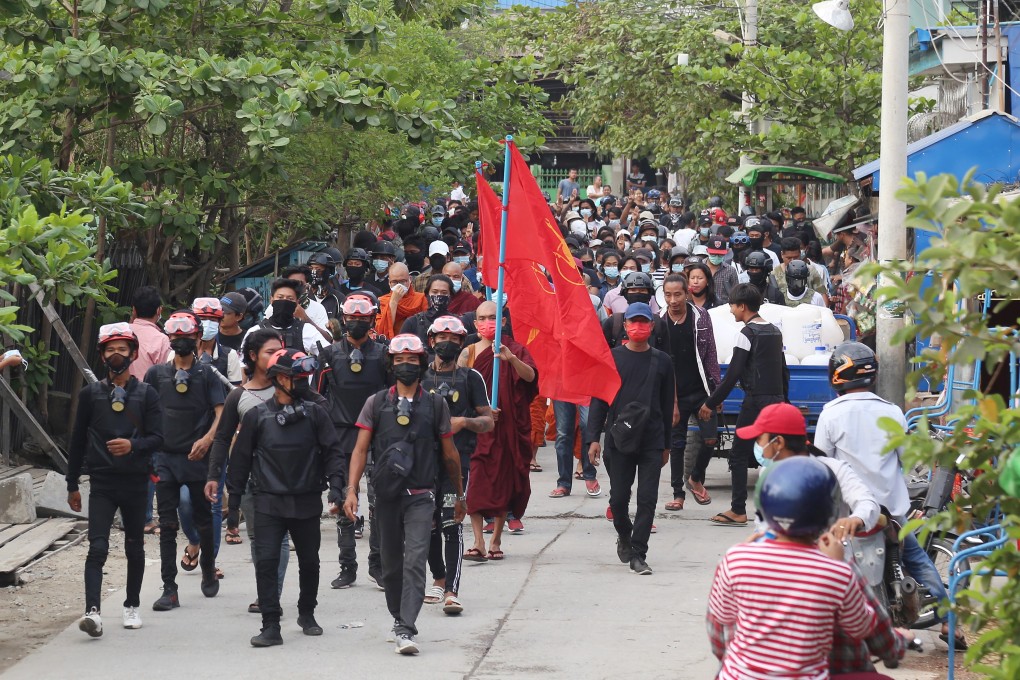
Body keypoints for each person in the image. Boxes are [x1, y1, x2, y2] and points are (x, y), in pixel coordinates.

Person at [814, 341, 967, 650]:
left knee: (830, 565)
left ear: (837, 376)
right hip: (891, 513)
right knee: (918, 560)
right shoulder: (892, 411)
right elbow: (906, 459)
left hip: (851, 514)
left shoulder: (830, 415)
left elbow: (822, 466)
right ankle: (951, 622)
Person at [342, 334, 466, 655]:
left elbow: (451, 455)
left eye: (412, 360)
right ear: (391, 364)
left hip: (422, 496)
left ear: (422, 363)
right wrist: (352, 489)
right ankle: (399, 617)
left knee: (415, 560)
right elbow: (360, 449)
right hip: (385, 497)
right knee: (391, 565)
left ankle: (406, 627)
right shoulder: (376, 403)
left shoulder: (435, 404)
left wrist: (460, 496)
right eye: (399, 360)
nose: (406, 365)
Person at [707, 456, 878, 679]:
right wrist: (835, 563)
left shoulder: (736, 558)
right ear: (828, 512)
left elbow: (722, 618)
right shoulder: (837, 572)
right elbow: (861, 627)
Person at [223, 348, 342, 647]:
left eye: (304, 377)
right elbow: (239, 461)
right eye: (294, 377)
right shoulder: (256, 417)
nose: (301, 382)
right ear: (277, 379)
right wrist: (233, 504)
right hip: (267, 502)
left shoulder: (317, 413)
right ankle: (271, 625)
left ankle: (307, 613)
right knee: (266, 562)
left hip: (305, 500)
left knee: (310, 562)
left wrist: (338, 489)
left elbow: (333, 453)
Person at [67, 323, 164, 637]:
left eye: (123, 349)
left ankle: (131, 605)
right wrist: (71, 484)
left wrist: (133, 445)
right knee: (97, 547)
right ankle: (93, 613)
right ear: (102, 355)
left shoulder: (147, 393)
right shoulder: (90, 394)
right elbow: (77, 440)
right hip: (102, 483)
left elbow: (159, 437)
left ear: (134, 354)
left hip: (136, 483)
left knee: (134, 547)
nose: (116, 355)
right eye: (110, 349)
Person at [205, 329, 290, 615]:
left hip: (290, 480)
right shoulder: (238, 396)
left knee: (281, 539)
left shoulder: (293, 389)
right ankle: (265, 591)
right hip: (254, 480)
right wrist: (215, 476)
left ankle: (271, 596)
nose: (277, 356)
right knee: (258, 539)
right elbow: (221, 437)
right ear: (253, 356)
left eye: (280, 350)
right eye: (269, 351)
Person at [586, 302, 674, 575]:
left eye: (644, 322)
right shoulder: (611, 358)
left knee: (647, 499)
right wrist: (593, 438)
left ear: (652, 326)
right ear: (624, 326)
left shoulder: (663, 361)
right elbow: (600, 400)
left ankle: (639, 553)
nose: (638, 327)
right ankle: (624, 535)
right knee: (618, 500)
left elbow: (667, 403)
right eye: (633, 322)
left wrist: (667, 445)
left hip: (651, 439)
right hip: (618, 439)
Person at [144, 311, 224, 610]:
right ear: (169, 338)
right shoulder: (155, 375)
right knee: (166, 524)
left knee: (203, 518)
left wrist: (207, 440)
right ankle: (169, 588)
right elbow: (146, 413)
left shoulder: (206, 374)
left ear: (196, 337)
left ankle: (207, 566)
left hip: (197, 458)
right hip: (165, 457)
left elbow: (221, 412)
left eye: (186, 337)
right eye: (176, 338)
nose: (181, 342)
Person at [699, 284, 788, 528]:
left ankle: (738, 509)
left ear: (743, 307)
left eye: (732, 305)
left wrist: (711, 402)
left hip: (755, 401)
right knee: (777, 456)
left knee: (738, 455)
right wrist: (785, 401)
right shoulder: (774, 331)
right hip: (776, 400)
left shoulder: (746, 334)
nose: (730, 310)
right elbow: (783, 370)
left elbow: (733, 375)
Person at [316, 295, 389, 590]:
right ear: (343, 319)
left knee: (379, 501)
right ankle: (347, 566)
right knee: (344, 500)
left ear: (373, 320)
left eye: (363, 318)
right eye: (352, 317)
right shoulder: (329, 355)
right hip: (340, 435)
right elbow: (317, 398)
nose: (357, 322)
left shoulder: (385, 354)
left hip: (378, 434)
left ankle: (378, 564)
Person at [422, 317, 493, 614]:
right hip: (422, 466)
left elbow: (488, 421)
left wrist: (463, 421)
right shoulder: (418, 377)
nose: (446, 343)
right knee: (425, 524)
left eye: (453, 338)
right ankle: (437, 577)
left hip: (456, 465)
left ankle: (452, 589)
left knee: (451, 523)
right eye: (440, 337)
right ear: (430, 342)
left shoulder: (470, 378)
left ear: (462, 343)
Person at [459, 300, 538, 560]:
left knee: (504, 483)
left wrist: (511, 358)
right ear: (474, 323)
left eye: (492, 318)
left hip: (507, 430)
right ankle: (478, 541)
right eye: (481, 318)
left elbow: (530, 379)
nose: (486, 323)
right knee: (478, 484)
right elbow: (458, 393)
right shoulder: (468, 353)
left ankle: (496, 540)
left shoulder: (514, 349)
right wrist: (480, 412)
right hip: (479, 430)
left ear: (503, 321)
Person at [658, 274, 720, 511]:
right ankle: (678, 494)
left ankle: (696, 477)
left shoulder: (700, 317)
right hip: (674, 394)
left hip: (701, 390)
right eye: (668, 295)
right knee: (677, 444)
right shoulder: (660, 321)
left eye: (677, 294)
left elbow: (711, 355)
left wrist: (716, 392)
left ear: (687, 293)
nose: (673, 300)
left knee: (710, 438)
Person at [249, 278, 326, 356]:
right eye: (280, 297)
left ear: (297, 302)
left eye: (290, 299)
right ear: (271, 300)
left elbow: (328, 353)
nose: (284, 301)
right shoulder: (256, 331)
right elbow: (243, 363)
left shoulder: (306, 330)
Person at [262, 266, 332, 343]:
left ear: (307, 286)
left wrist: (306, 319)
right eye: (291, 283)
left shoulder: (318, 308)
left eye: (299, 284)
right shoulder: (273, 307)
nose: (295, 288)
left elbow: (328, 339)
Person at [192, 298, 243, 385]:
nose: (207, 323)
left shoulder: (230, 355)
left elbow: (235, 393)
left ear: (219, 322)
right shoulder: (177, 353)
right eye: (203, 319)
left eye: (212, 319)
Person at [127, 285, 171, 382]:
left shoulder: (121, 332)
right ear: (159, 310)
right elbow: (164, 377)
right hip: (147, 394)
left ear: (134, 310)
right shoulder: (161, 340)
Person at [399, 274, 455, 347]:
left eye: (444, 293)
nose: (439, 296)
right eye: (435, 292)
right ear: (426, 295)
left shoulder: (457, 323)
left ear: (451, 296)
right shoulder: (412, 323)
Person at [376, 262, 428, 338]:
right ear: (389, 282)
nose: (398, 286)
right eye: (394, 282)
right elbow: (382, 331)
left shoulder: (421, 298)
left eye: (402, 281)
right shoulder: (382, 301)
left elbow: (426, 326)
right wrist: (393, 301)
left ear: (410, 279)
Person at [774, 237, 828, 304]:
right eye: (789, 258)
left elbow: (822, 294)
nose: (792, 260)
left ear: (800, 253)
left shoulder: (811, 271)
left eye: (796, 257)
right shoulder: (775, 274)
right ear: (782, 254)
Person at [306, 252, 345, 320]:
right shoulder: (304, 296)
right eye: (311, 269)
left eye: (318, 269)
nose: (314, 272)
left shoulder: (338, 298)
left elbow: (342, 324)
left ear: (328, 271)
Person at [705, 236, 738, 303]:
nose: (717, 257)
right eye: (713, 254)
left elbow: (736, 294)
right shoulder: (698, 267)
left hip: (723, 308)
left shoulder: (731, 270)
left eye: (720, 254)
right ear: (707, 251)